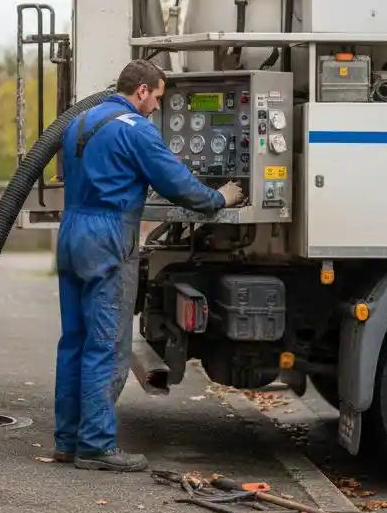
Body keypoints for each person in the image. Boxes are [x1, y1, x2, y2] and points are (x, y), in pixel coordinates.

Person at [51, 59, 244, 472]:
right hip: (108, 236)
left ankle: (67, 441)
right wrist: (220, 197)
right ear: (142, 91)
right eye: (157, 96)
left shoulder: (78, 124)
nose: (158, 106)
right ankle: (97, 446)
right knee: (106, 343)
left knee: (75, 341)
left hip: (72, 232)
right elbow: (178, 184)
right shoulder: (136, 130)